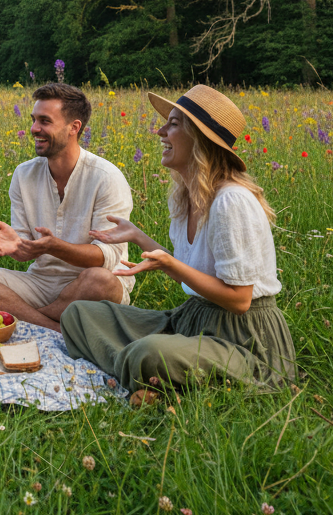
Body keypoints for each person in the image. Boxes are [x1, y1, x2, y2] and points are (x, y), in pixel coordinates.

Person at [61, 85, 297, 407]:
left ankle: (147, 376)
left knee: (150, 351)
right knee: (78, 315)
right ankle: (151, 378)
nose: (160, 131)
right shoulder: (187, 199)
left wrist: (171, 265)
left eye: (173, 124)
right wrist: (138, 237)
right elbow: (196, 271)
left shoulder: (231, 202)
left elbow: (240, 300)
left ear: (199, 138)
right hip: (193, 320)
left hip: (243, 340)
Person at [0, 83, 133, 331]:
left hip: (88, 284)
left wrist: (55, 247)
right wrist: (19, 246)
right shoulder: (24, 174)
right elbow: (26, 247)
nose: (34, 128)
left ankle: (27, 319)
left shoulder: (106, 177)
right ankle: (53, 327)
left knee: (101, 281)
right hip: (41, 281)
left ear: (74, 127)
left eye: (45, 121)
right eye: (34, 120)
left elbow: (106, 258)